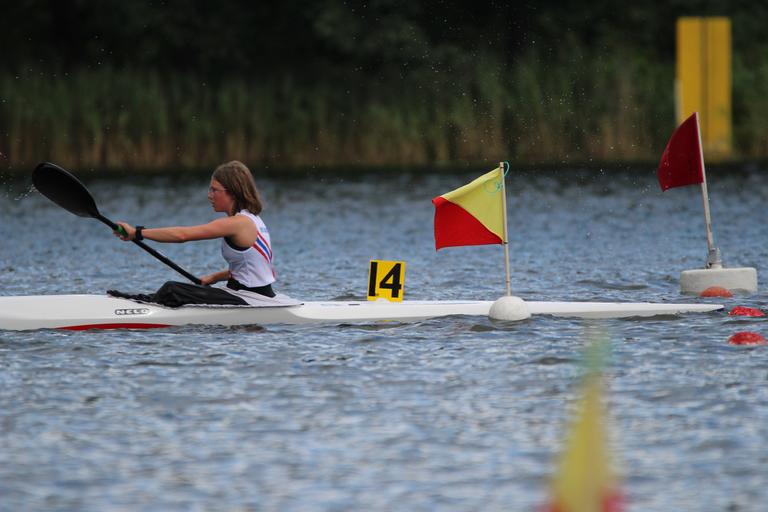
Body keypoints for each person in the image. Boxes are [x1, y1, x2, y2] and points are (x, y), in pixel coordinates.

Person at [110, 160, 279, 307]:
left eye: (214, 190)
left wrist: (137, 233)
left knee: (172, 289)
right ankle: (137, 300)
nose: (209, 195)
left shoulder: (236, 223)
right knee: (175, 292)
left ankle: (136, 307)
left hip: (249, 298)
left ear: (232, 193)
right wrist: (214, 277)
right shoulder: (254, 220)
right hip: (256, 294)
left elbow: (182, 235)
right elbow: (251, 267)